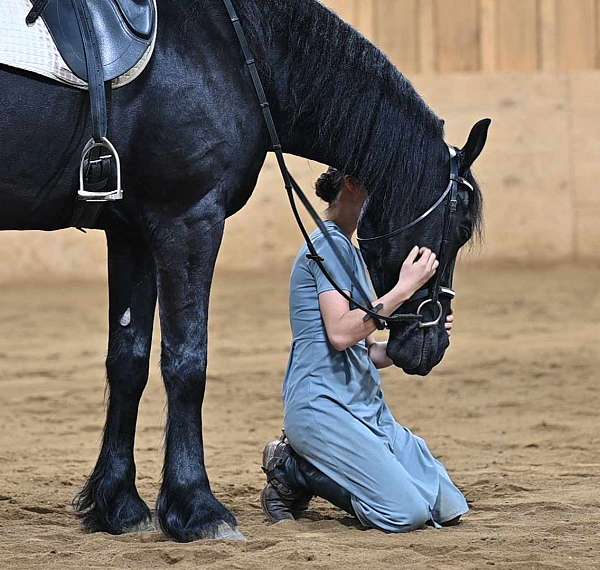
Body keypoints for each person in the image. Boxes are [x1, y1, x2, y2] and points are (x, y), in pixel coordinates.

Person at [260, 167, 469, 532]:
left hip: (365, 406)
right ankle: (295, 469)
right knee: (405, 514)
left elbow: (366, 350)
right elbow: (341, 334)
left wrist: (409, 341)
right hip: (322, 407)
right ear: (353, 186)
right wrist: (403, 289)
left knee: (448, 506)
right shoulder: (326, 245)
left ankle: (321, 465)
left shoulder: (351, 252)